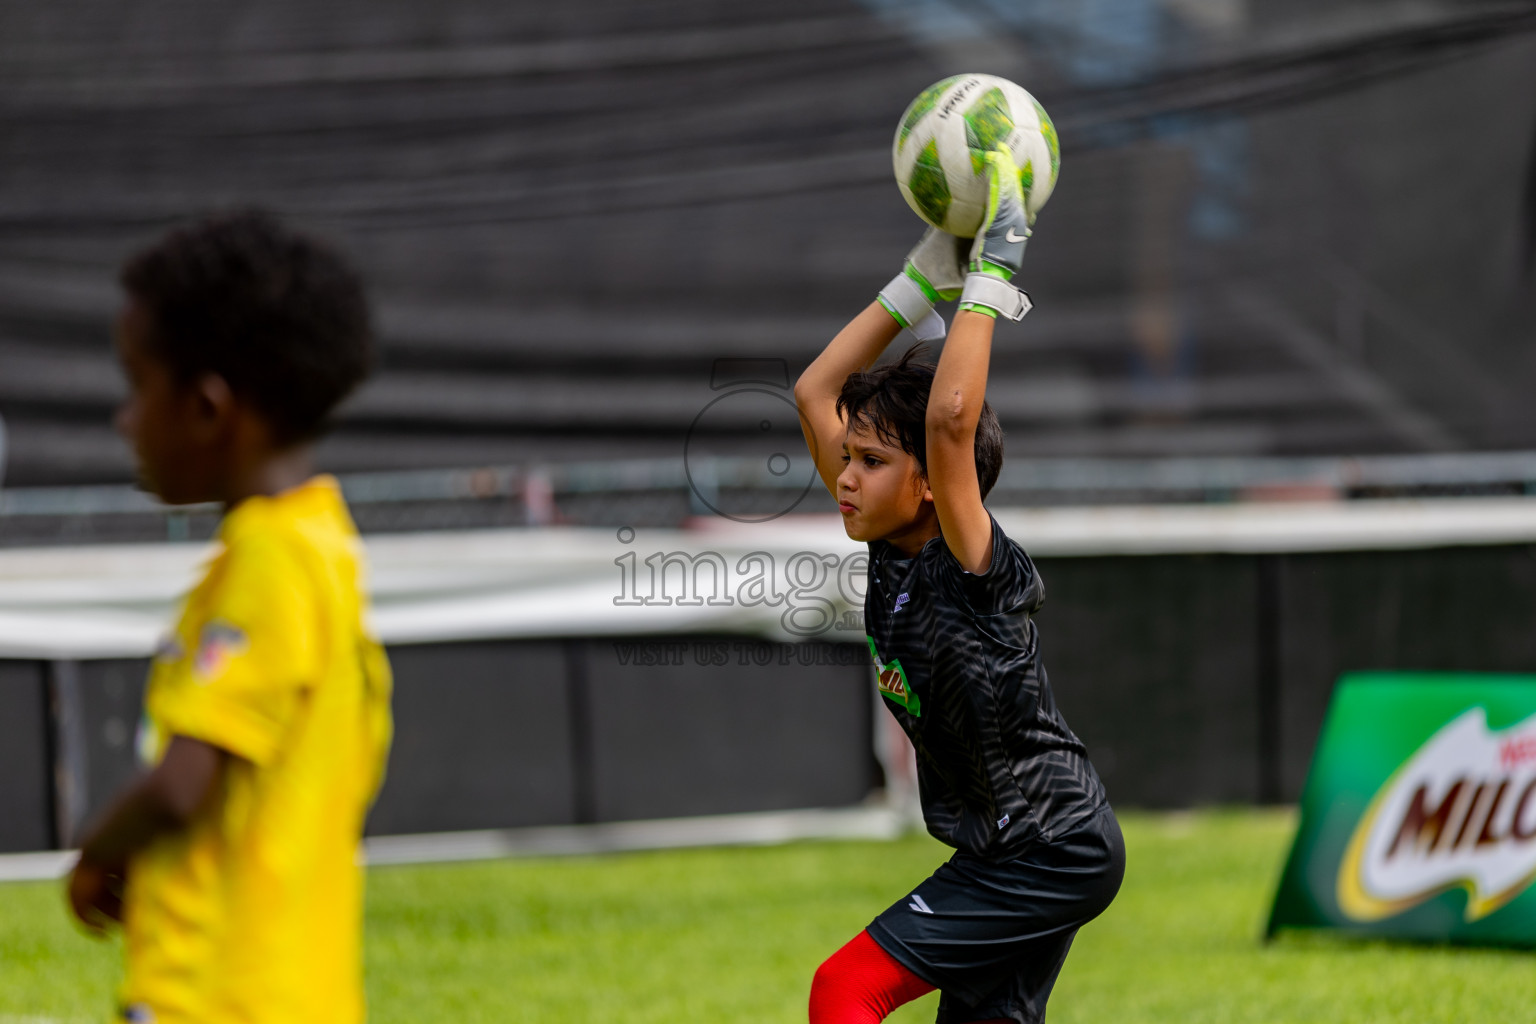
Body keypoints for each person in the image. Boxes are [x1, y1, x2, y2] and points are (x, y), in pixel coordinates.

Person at [795, 147, 1124, 1024]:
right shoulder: (887, 539)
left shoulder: (970, 561)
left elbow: (948, 419)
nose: (846, 477)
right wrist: (921, 278)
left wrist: (992, 271)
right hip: (999, 852)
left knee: (844, 987)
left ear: (936, 483)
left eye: (871, 461)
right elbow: (815, 388)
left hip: (1046, 847)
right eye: (848, 458)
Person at [66, 209, 394, 1024]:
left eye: (138, 386)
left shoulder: (267, 562)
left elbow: (182, 785)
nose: (125, 420)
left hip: (219, 997)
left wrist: (98, 849)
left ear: (209, 410)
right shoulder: (324, 545)